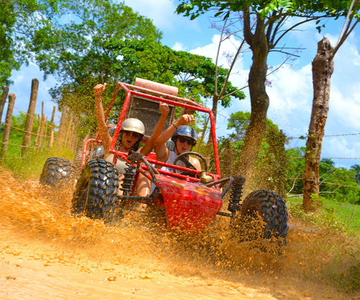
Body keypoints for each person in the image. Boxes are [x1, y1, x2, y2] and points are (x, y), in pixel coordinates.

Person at [94, 83, 170, 196]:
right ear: (122, 134)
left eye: (135, 135)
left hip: (122, 193)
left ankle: (140, 208)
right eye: (127, 133)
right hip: (100, 189)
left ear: (139, 138)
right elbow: (102, 124)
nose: (130, 136)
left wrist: (164, 115)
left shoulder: (138, 155)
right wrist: (98, 98)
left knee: (144, 172)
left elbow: (154, 139)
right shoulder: (111, 147)